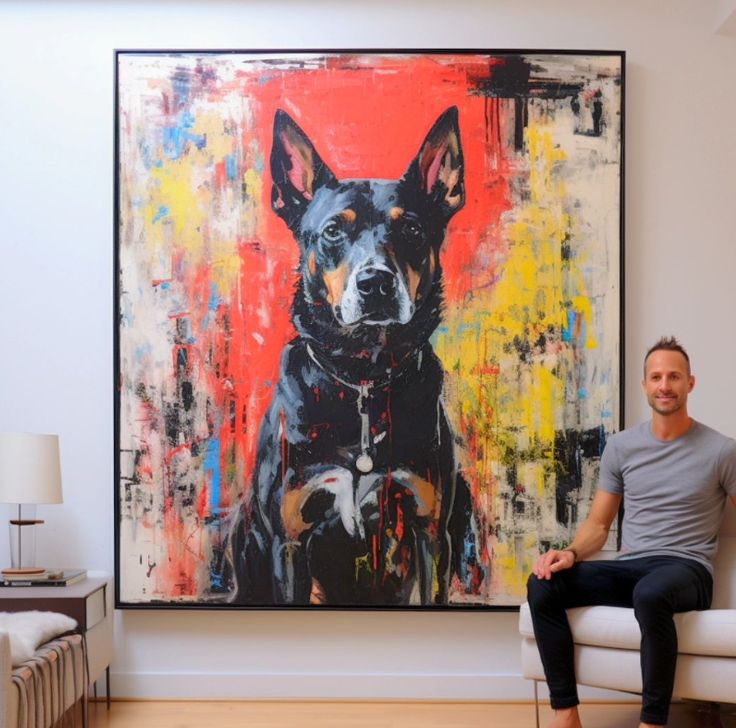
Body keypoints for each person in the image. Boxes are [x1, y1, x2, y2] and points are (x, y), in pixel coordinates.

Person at [527, 336, 736, 728]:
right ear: (644, 385)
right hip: (633, 567)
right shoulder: (622, 447)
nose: (664, 385)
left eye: (674, 376)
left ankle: (652, 722)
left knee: (651, 592)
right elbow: (599, 525)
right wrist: (569, 553)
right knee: (544, 584)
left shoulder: (722, 450)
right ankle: (566, 714)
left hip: (686, 570)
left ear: (690, 383)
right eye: (656, 377)